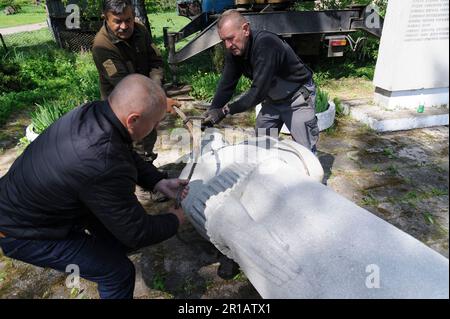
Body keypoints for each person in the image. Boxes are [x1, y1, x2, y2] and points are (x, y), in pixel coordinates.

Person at [0, 75, 189, 299]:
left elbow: (123, 152)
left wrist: (158, 181)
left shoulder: (95, 112)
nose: (157, 127)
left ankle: (110, 248)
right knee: (117, 272)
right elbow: (137, 232)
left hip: (30, 201)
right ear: (133, 120)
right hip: (23, 232)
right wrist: (175, 220)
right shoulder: (102, 161)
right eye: (155, 122)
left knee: (113, 236)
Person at [202, 9, 320, 153]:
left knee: (305, 151)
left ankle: (310, 175)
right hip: (272, 101)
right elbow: (227, 84)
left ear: (245, 29)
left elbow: (258, 92)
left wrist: (224, 111)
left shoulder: (266, 44)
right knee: (261, 146)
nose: (227, 45)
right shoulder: (235, 51)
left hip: (297, 99)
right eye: (223, 40)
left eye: (231, 38)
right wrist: (213, 111)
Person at [92, 0, 178, 163]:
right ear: (106, 18)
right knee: (129, 145)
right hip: (121, 105)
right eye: (117, 21)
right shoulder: (101, 47)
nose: (124, 26)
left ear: (133, 16)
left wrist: (156, 90)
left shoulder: (140, 31)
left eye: (128, 20)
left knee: (149, 133)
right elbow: (124, 85)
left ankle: (147, 164)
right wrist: (158, 99)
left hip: (148, 94)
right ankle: (135, 180)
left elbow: (156, 62)